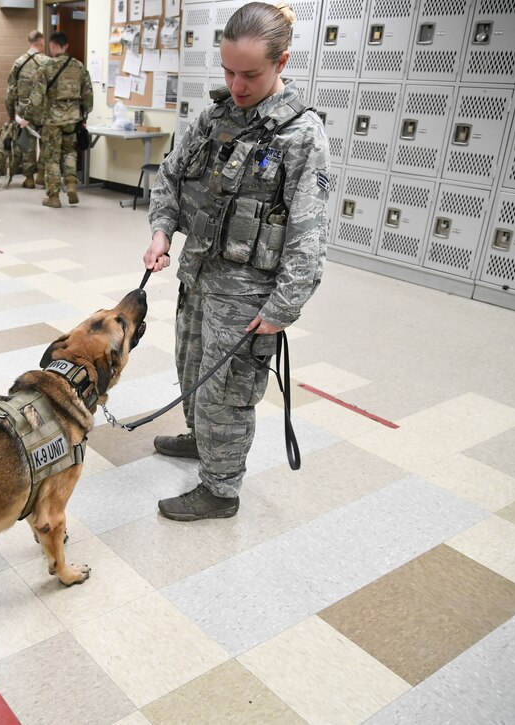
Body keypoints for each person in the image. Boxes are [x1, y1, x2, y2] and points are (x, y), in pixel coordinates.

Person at [142, 2, 330, 521]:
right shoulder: (216, 116)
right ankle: (203, 440)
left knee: (227, 391)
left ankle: (221, 491)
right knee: (191, 369)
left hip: (249, 296)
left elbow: (308, 235)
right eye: (228, 71)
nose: (237, 83)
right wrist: (161, 232)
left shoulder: (302, 135)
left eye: (250, 74)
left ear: (282, 62)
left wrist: (283, 308)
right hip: (198, 277)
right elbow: (173, 177)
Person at [32, 32, 92, 208]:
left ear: (51, 46)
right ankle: (72, 184)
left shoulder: (45, 67)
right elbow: (88, 96)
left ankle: (54, 197)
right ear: (66, 46)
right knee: (70, 152)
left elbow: (36, 98)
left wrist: (33, 118)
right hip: (73, 119)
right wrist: (83, 116)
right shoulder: (79, 67)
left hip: (52, 121)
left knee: (52, 157)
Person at [5, 30, 48, 189]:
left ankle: (29, 178)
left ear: (29, 41)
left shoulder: (19, 62)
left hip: (24, 112)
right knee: (45, 143)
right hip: (44, 110)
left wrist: (10, 113)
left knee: (27, 145)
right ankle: (42, 175)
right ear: (41, 41)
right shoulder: (48, 62)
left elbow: (10, 91)